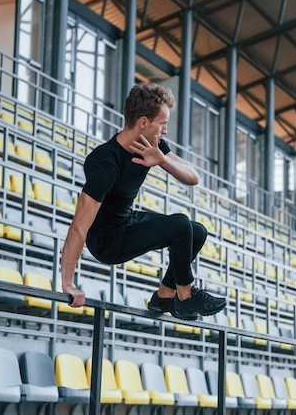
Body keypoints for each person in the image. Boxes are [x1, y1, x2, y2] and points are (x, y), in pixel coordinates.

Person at [60, 82, 226, 321]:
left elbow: (194, 177)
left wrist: (163, 161)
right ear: (144, 122)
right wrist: (68, 283)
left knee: (196, 231)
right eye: (163, 123)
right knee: (180, 224)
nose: (165, 131)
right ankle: (186, 296)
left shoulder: (153, 146)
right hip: (108, 241)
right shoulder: (105, 161)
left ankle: (165, 296)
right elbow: (79, 226)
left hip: (127, 221)